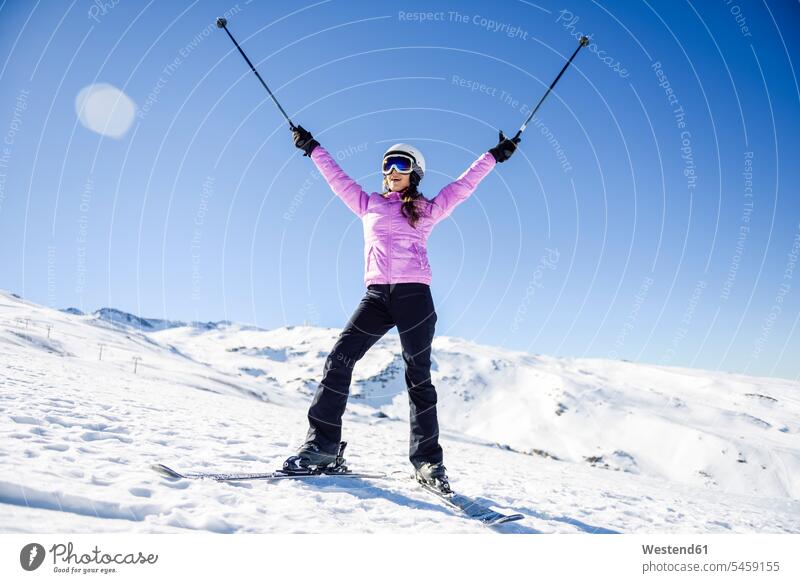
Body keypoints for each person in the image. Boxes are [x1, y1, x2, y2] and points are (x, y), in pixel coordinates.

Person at [283, 124, 520, 491]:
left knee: (418, 377)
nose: (392, 170)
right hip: (376, 297)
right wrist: (312, 147)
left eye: (401, 164)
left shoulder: (427, 209)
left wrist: (492, 156)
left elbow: (462, 186)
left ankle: (428, 462)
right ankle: (323, 447)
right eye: (387, 164)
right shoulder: (368, 204)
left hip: (414, 298)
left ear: (415, 172)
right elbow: (336, 177)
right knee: (339, 360)